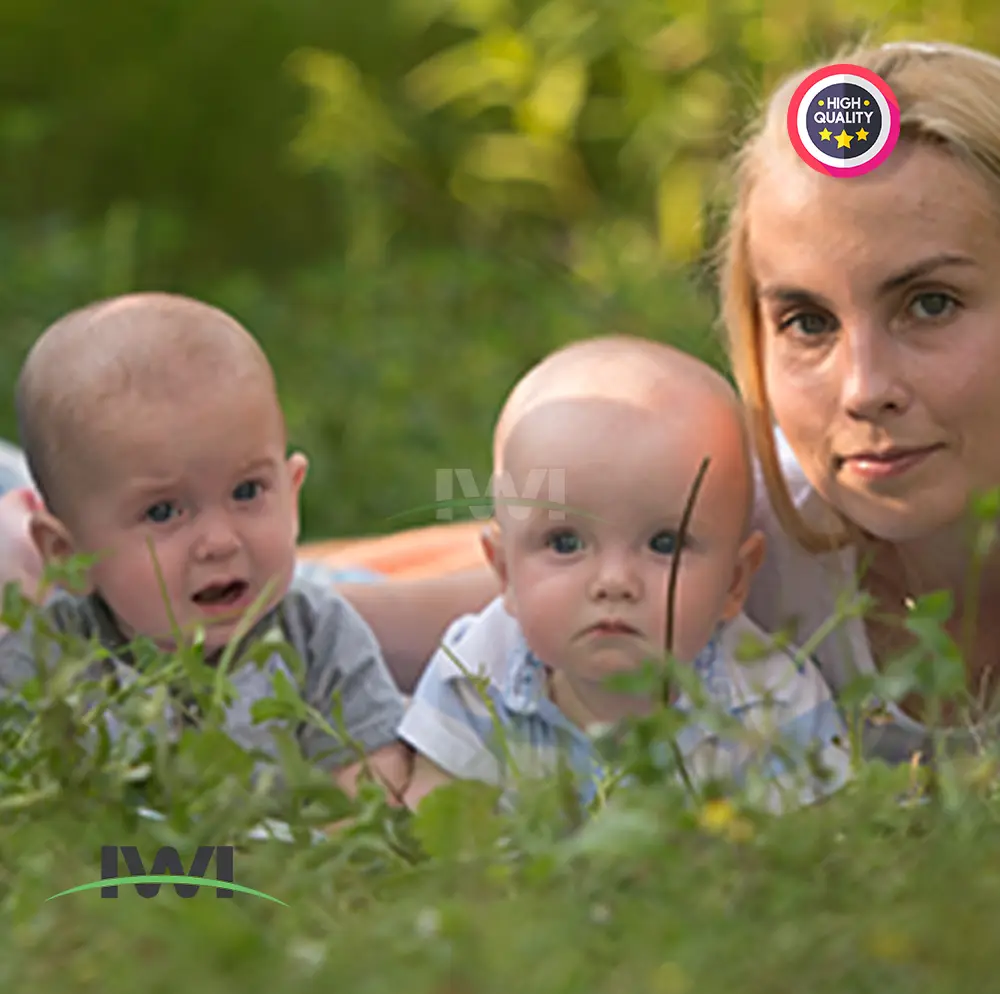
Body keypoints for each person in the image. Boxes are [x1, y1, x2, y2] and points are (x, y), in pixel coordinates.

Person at [4, 39, 1000, 769]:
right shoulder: (766, 515)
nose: (864, 388)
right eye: (805, 322)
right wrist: (104, 555)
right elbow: (422, 607)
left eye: (929, 303)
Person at [399, 335, 851, 810]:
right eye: (566, 543)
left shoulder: (771, 702)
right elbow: (438, 832)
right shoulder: (476, 673)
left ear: (735, 582)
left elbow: (818, 853)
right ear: (505, 572)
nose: (614, 581)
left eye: (665, 544)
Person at [0, 292, 411, 799]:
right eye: (163, 512)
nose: (219, 542)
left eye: (247, 492)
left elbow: (373, 781)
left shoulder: (316, 636)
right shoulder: (46, 663)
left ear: (292, 496)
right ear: (67, 555)